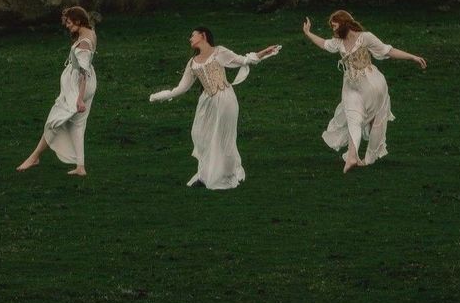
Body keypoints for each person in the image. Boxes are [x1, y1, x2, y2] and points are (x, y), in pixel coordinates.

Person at [150, 28, 281, 190]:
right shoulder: (193, 62)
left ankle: (227, 174)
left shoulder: (219, 52)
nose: (190, 38)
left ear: (203, 36)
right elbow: (181, 88)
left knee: (224, 137)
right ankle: (205, 175)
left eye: (193, 34)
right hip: (207, 102)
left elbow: (243, 60)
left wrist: (264, 52)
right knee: (201, 135)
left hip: (225, 98)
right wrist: (158, 96)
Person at [303, 10, 426, 173]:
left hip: (371, 84)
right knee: (353, 117)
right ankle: (352, 158)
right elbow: (324, 44)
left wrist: (413, 57)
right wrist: (308, 33)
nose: (333, 30)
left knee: (369, 119)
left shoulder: (365, 37)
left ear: (344, 24)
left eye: (335, 26)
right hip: (351, 87)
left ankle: (361, 154)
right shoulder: (338, 42)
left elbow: (387, 50)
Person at [16, 6, 97, 177]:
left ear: (78, 21)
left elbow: (83, 72)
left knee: (54, 121)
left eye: (69, 22)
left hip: (78, 87)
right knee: (77, 125)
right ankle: (80, 167)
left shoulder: (84, 42)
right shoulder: (89, 32)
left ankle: (34, 157)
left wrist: (80, 99)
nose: (67, 26)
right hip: (83, 84)